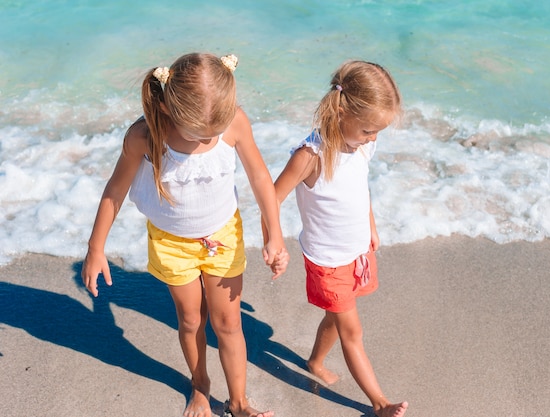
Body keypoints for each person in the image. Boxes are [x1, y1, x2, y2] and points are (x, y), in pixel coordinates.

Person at [81, 52, 288, 417]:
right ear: (166, 108)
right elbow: (114, 191)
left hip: (223, 236)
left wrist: (275, 234)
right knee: (191, 320)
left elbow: (259, 178)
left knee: (229, 322)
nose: (208, 139)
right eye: (200, 133)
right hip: (171, 244)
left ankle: (239, 402)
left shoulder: (234, 123)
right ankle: (200, 385)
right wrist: (95, 248)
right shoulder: (145, 137)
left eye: (214, 132)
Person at [270, 60, 408, 417]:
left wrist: (371, 226)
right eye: (368, 130)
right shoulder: (310, 157)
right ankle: (379, 404)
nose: (373, 137)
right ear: (342, 111)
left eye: (378, 131)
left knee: (337, 316)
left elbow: (359, 190)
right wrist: (275, 241)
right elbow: (271, 197)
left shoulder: (360, 146)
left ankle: (315, 361)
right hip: (329, 261)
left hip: (357, 252)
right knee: (352, 329)